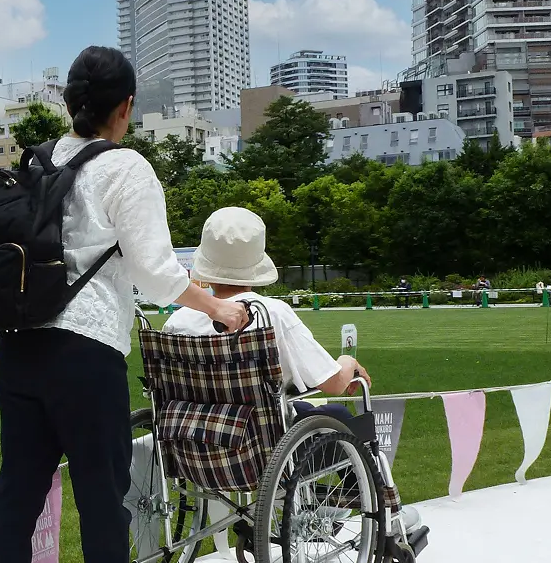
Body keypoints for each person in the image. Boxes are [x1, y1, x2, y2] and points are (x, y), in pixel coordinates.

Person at [0, 46, 249, 563]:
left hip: (20, 350)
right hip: (86, 354)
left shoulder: (39, 160)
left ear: (69, 100)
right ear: (125, 107)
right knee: (103, 508)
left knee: (16, 503)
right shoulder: (126, 168)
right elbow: (156, 275)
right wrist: (219, 307)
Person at [161, 207, 421, 531]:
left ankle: (312, 508)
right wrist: (348, 363)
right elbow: (334, 383)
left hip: (190, 445)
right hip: (259, 448)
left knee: (294, 409)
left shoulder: (178, 320)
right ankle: (383, 509)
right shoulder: (270, 312)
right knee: (337, 413)